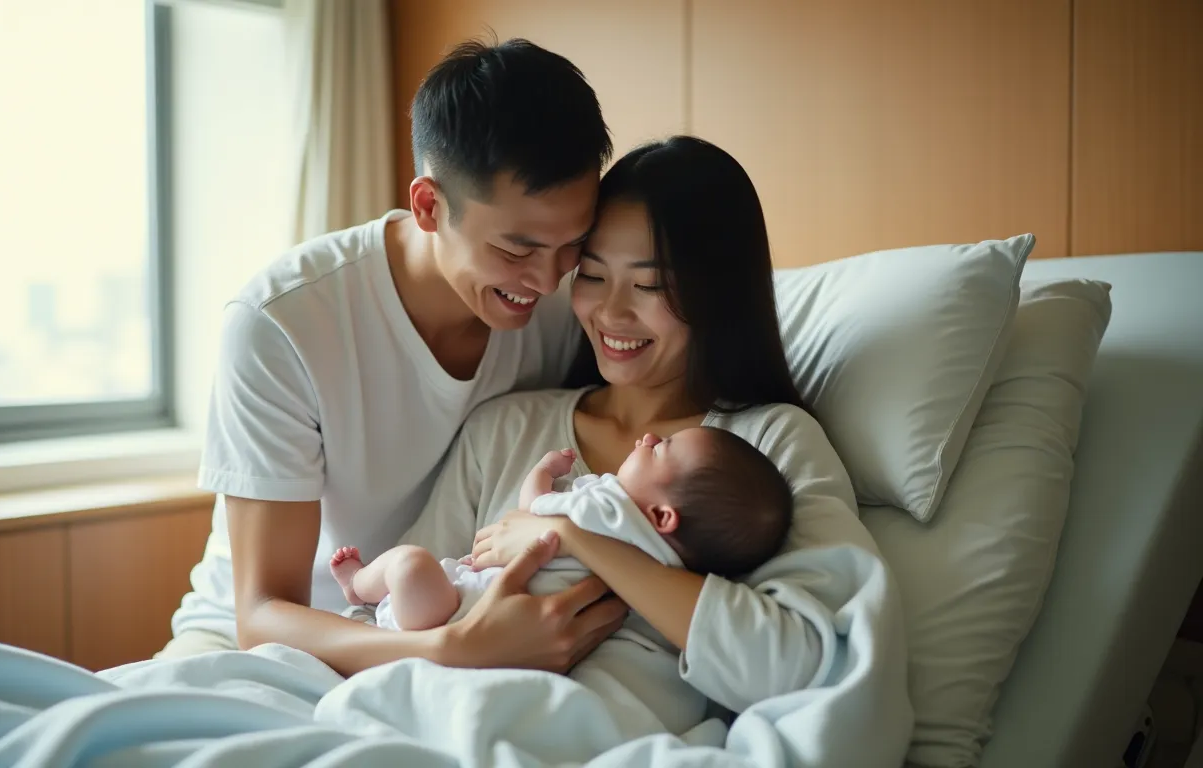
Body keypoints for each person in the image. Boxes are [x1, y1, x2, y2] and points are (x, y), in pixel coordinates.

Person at [385, 136, 913, 755]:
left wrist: (584, 540)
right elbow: (395, 607)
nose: (610, 313)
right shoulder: (504, 430)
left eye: (651, 286)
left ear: (715, 293)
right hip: (444, 725)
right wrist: (465, 648)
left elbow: (798, 667)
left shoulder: (768, 445)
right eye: (592, 275)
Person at [159, 38, 631, 667]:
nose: (547, 282)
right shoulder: (282, 324)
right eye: (517, 250)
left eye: (570, 246)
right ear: (429, 206)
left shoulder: (567, 304)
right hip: (265, 643)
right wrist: (450, 650)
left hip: (452, 614)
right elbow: (262, 614)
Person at [328, 426, 792, 632]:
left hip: (457, 610)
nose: (649, 437)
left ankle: (358, 586)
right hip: (476, 622)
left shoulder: (609, 509)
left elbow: (534, 511)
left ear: (662, 516)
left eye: (662, 448)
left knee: (409, 563)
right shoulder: (671, 569)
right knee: (412, 569)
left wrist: (545, 471)